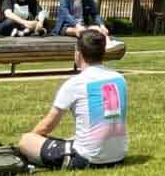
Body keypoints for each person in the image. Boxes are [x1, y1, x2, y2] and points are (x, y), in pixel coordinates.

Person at [18, 29, 127, 170]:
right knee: (71, 138)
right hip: (118, 154)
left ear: (78, 54)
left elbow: (47, 125)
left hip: (88, 158)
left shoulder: (76, 83)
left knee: (26, 141)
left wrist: (33, 138)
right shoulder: (119, 78)